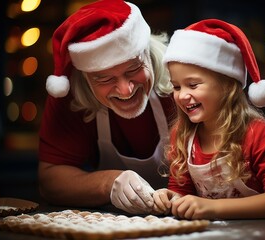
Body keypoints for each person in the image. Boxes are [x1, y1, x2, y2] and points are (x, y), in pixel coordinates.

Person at [151, 19, 265, 221]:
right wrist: (172, 198)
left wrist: (214, 208)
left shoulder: (258, 135)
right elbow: (182, 191)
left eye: (193, 85)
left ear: (227, 87)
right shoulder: (183, 135)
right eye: (176, 87)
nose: (182, 95)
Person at [38, 0, 176, 214]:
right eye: (104, 79)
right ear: (85, 76)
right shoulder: (68, 94)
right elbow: (50, 180)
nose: (125, 90)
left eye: (134, 69)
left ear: (147, 52)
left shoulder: (183, 79)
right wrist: (108, 183)